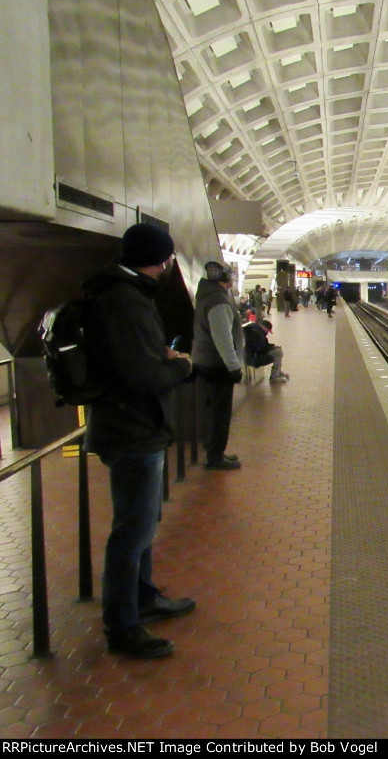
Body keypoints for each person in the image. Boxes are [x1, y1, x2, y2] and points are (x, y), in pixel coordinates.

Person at [82, 222, 196, 659]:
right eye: (168, 259)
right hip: (131, 430)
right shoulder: (124, 302)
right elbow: (140, 376)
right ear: (163, 260)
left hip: (135, 427)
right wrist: (180, 366)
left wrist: (160, 357)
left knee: (142, 526)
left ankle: (143, 597)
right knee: (132, 531)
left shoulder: (124, 296)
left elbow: (136, 359)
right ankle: (122, 626)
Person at [192, 261, 245, 470]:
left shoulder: (207, 296)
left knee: (212, 410)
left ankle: (215, 451)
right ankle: (215, 457)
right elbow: (222, 337)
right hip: (217, 365)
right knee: (220, 413)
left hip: (205, 362)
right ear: (226, 279)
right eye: (231, 275)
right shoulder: (218, 301)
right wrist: (233, 367)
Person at [243, 319, 290, 383]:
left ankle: (277, 371)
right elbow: (262, 348)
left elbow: (260, 345)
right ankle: (274, 376)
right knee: (278, 352)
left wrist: (272, 346)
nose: (267, 332)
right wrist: (272, 347)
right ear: (264, 327)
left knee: (277, 350)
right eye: (267, 330)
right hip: (253, 358)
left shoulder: (254, 329)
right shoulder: (257, 333)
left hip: (249, 355)